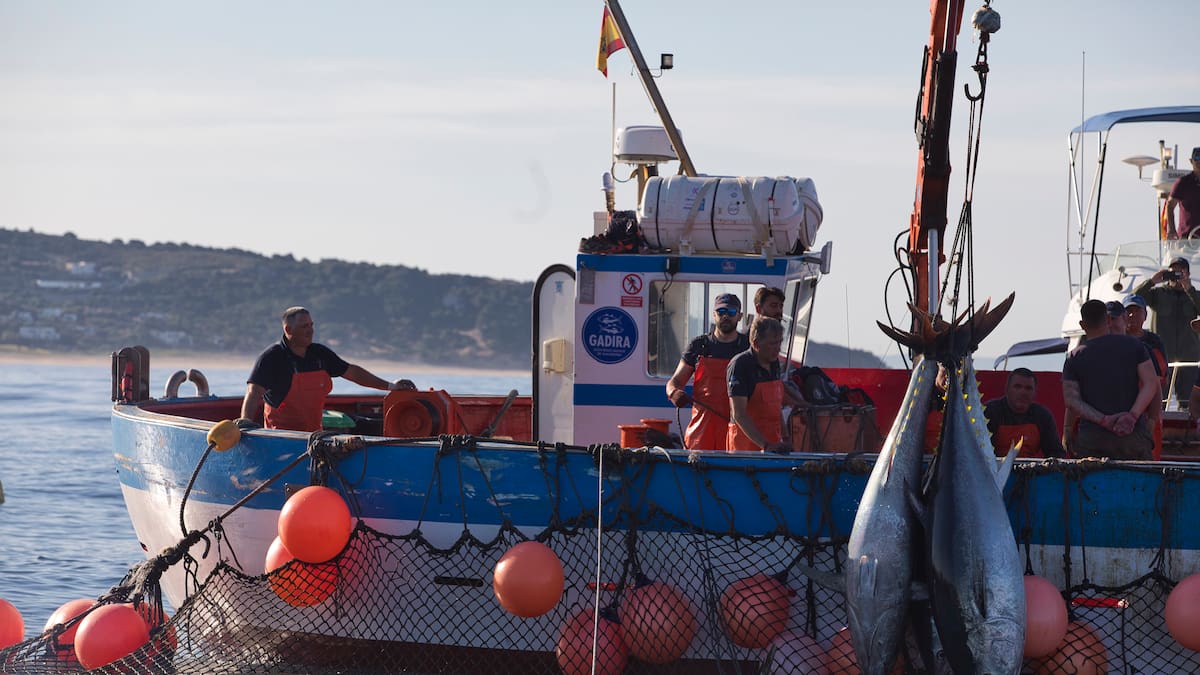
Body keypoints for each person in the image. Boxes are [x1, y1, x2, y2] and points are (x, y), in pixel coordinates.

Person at [240, 306, 416, 432]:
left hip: (315, 436)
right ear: (288, 329)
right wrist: (245, 423)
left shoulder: (320, 354)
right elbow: (253, 392)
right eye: (304, 326)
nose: (310, 331)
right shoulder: (271, 357)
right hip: (282, 438)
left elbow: (352, 372)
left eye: (311, 325)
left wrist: (391, 386)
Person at [1061, 299, 1158, 459]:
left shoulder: (1073, 357)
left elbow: (1072, 401)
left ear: (1082, 324)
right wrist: (1132, 417)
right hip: (1133, 438)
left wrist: (1103, 421)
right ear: (1107, 319)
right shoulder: (1135, 346)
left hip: (1093, 440)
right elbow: (1151, 384)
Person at [666, 293, 750, 450]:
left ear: (739, 316)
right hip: (701, 434)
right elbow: (675, 381)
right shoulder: (699, 346)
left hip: (737, 431)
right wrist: (674, 393)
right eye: (721, 312)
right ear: (714, 314)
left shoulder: (748, 348)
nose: (725, 316)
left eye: (731, 312)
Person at [1133, 256, 1200, 406]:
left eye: (1180, 271)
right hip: (1162, 356)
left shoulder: (1195, 295)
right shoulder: (1158, 294)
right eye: (1173, 271)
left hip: (1188, 356)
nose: (1176, 274)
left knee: (1187, 401)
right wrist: (1152, 281)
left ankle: (1188, 427)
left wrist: (1189, 289)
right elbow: (1134, 298)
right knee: (1159, 399)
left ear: (1187, 274)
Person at [726, 316, 791, 452]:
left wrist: (786, 438)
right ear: (756, 344)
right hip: (744, 451)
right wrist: (765, 445)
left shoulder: (775, 364)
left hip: (773, 448)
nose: (778, 349)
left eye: (780, 342)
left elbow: (776, 407)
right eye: (772, 344)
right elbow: (739, 413)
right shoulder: (740, 365)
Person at [983, 368, 1066, 459]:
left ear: (1035, 393)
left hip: (1029, 471)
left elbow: (1056, 453)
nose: (1023, 392)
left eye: (1028, 388)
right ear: (1007, 389)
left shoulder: (1043, 416)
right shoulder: (989, 411)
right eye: (1017, 387)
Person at [1166, 146, 1200, 239]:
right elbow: (1170, 206)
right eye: (1197, 158)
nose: (1199, 161)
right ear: (1191, 161)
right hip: (1187, 240)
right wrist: (1172, 230)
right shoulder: (1183, 183)